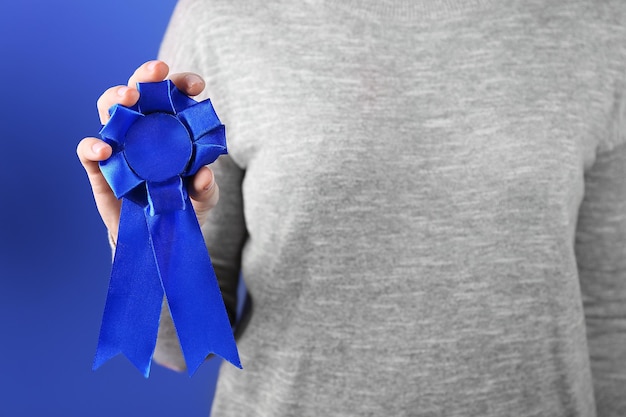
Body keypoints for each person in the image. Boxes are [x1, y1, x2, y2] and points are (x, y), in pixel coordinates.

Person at [78, 0, 626, 415]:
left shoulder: (599, 21)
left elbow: (610, 315)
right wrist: (152, 243)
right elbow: (178, 341)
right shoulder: (227, 15)